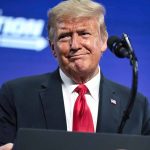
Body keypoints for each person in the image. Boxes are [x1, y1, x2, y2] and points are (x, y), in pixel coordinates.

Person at [0, 0, 150, 149]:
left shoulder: (137, 105)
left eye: (84, 33)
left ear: (103, 41)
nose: (75, 45)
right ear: (53, 47)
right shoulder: (16, 95)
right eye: (65, 36)